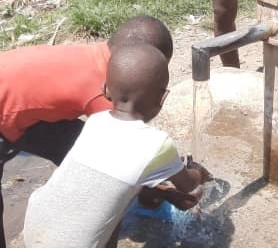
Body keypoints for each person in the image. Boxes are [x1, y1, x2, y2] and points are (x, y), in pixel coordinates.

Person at [0, 14, 174, 247]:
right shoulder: (104, 93)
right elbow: (120, 166)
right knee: (108, 179)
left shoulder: (95, 58)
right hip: (6, 115)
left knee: (76, 144)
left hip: (18, 105)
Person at [23, 44, 211, 248]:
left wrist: (163, 192)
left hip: (36, 226)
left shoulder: (96, 122)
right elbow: (188, 185)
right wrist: (198, 173)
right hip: (75, 243)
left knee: (112, 206)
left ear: (105, 89)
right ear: (162, 98)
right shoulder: (157, 144)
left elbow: (112, 180)